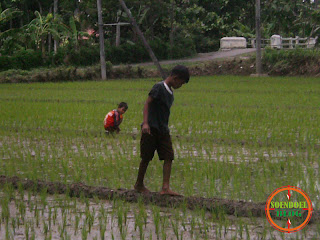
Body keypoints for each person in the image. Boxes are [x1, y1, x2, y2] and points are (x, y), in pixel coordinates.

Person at [134, 65, 190, 196]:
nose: (180, 86)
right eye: (181, 83)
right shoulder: (159, 87)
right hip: (151, 128)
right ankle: (139, 184)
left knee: (169, 156)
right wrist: (146, 123)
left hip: (163, 129)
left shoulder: (170, 93)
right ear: (175, 78)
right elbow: (148, 103)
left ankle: (165, 187)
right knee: (146, 157)